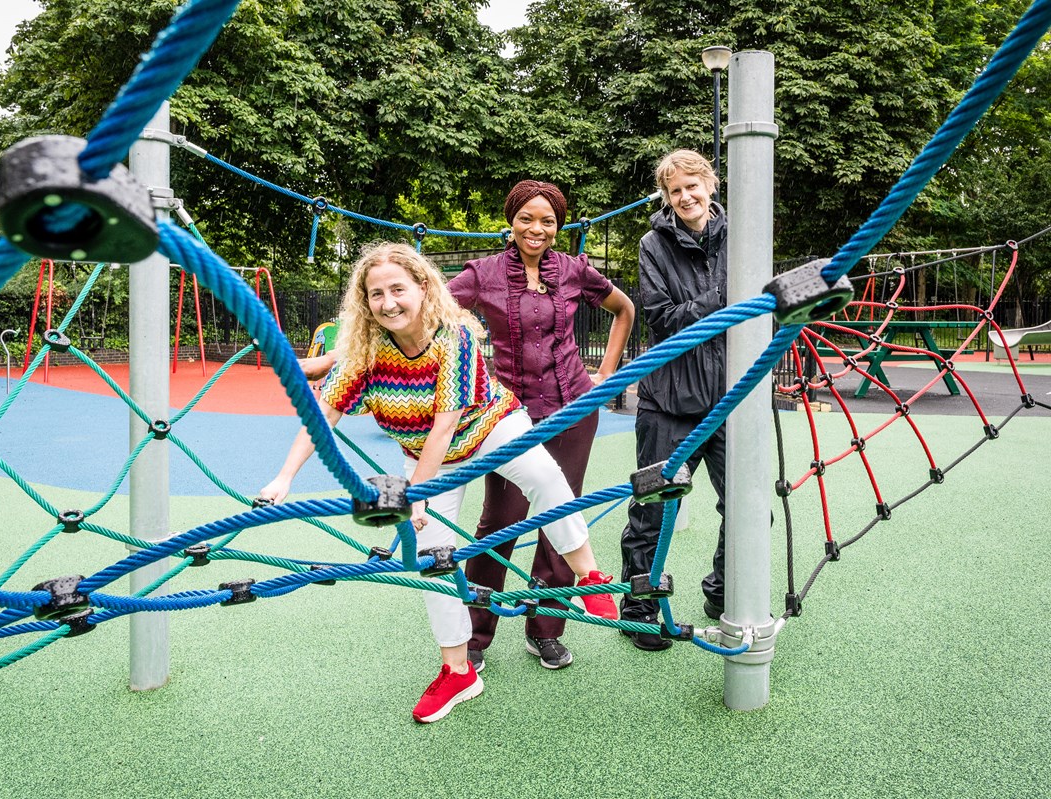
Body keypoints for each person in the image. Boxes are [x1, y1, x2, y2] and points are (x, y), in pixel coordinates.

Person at [258, 242, 620, 724]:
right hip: (425, 458)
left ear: (423, 288)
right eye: (376, 294)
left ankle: (590, 574)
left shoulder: (453, 338)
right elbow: (322, 417)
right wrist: (283, 479)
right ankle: (459, 671)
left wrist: (417, 496)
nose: (388, 302)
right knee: (432, 560)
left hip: (489, 427)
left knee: (544, 475)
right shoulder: (365, 353)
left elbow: (445, 425)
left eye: (398, 289)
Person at [447, 180, 635, 672]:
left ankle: (544, 629)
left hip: (573, 409)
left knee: (562, 518)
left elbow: (623, 309)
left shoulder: (573, 271)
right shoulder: (483, 274)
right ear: (512, 221)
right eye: (527, 218)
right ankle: (475, 633)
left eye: (547, 220)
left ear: (559, 226)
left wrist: (606, 374)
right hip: (508, 415)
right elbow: (434, 313)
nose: (537, 228)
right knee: (500, 519)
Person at [620, 149, 729, 651]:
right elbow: (662, 316)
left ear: (711, 184)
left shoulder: (741, 238)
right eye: (675, 190)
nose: (685, 196)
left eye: (693, 185)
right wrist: (723, 300)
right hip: (669, 399)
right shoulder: (653, 244)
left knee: (748, 506)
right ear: (666, 197)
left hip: (729, 397)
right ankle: (639, 609)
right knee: (652, 510)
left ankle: (725, 590)